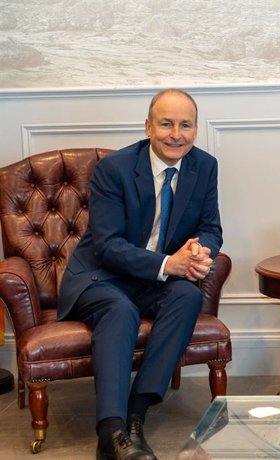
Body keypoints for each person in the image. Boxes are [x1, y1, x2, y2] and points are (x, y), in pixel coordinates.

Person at [57, 88, 222, 460]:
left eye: (185, 125)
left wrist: (200, 250)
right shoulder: (114, 169)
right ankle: (110, 434)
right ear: (148, 126)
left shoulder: (205, 166)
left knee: (187, 295)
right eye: (166, 124)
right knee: (120, 310)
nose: (175, 134)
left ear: (196, 130)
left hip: (151, 280)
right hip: (100, 275)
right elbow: (107, 245)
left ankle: (135, 416)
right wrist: (169, 265)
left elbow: (211, 226)